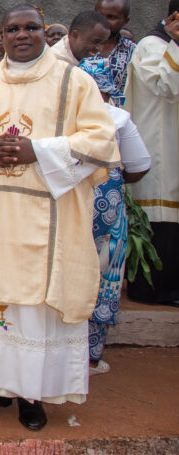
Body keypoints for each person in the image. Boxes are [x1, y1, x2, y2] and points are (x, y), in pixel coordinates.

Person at [0, 5, 119, 431]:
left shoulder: (73, 81)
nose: (21, 35)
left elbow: (102, 142)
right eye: (12, 29)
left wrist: (37, 151)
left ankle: (31, 395)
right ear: (2, 35)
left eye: (30, 28)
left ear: (45, 33)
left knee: (37, 306)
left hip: (49, 215)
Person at [75, 58, 150, 373]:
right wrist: (114, 179)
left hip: (72, 209)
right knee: (104, 275)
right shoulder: (119, 118)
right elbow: (140, 165)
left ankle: (61, 351)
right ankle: (91, 355)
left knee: (71, 272)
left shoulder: (67, 119)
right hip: (110, 209)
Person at [125, 0, 179, 305]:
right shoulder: (152, 46)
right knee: (160, 219)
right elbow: (167, 87)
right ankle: (153, 289)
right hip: (158, 147)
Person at [94, 0, 136, 103]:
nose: (103, 21)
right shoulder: (80, 46)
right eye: (99, 16)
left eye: (111, 17)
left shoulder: (134, 51)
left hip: (118, 116)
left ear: (125, 21)